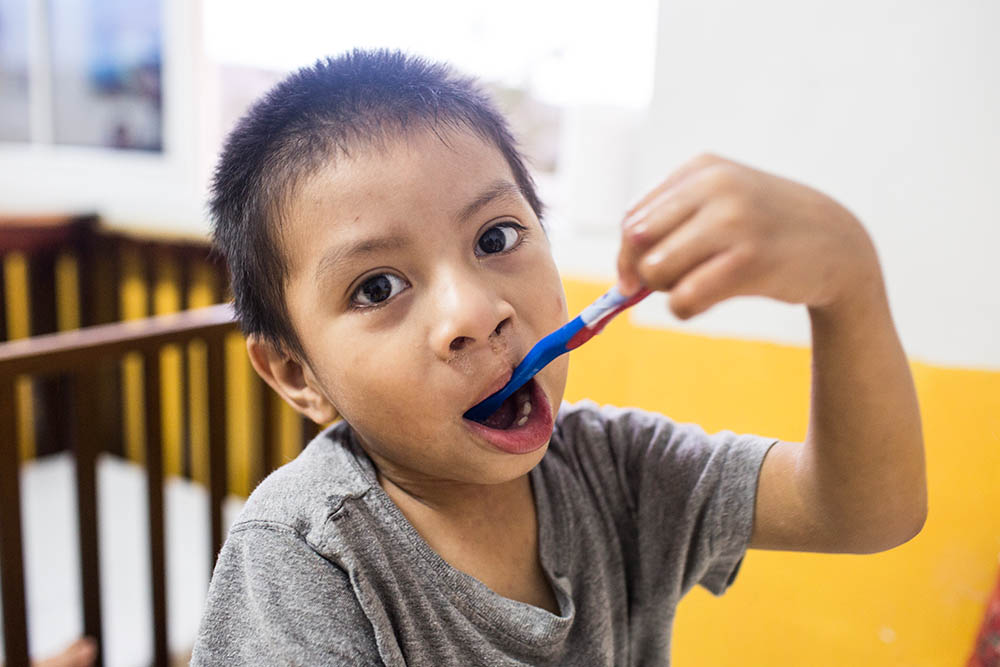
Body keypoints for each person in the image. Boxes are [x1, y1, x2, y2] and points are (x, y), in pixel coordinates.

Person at [191, 49, 927, 665]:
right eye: (378, 286)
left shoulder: (619, 470)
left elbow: (867, 513)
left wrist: (848, 284)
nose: (476, 314)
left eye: (496, 238)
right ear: (297, 375)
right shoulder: (300, 558)